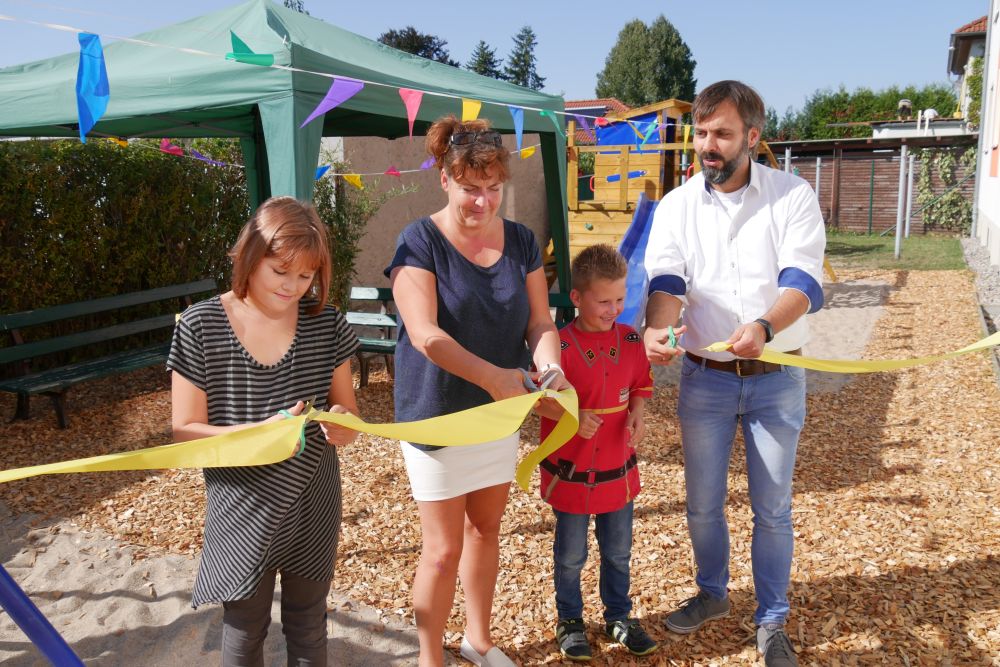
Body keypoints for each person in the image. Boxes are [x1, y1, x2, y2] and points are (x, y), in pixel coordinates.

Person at [642, 80, 825, 667]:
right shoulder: (676, 206)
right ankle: (714, 594)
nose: (707, 146)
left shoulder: (792, 196)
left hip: (776, 375)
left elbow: (804, 283)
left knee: (772, 506)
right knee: (701, 503)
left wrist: (764, 328)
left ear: (752, 135)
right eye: (700, 134)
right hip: (705, 378)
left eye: (721, 133)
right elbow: (667, 282)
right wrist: (660, 329)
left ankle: (772, 620)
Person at [386, 115, 570, 667]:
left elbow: (540, 323)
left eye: (494, 190)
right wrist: (494, 379)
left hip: (499, 415)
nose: (483, 203)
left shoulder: (521, 241)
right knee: (442, 552)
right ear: (444, 178)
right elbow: (424, 335)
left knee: (486, 530)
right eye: (471, 189)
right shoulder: (418, 241)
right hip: (437, 417)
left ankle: (478, 640)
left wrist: (551, 367)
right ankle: (429, 658)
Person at [168, 196, 361, 667]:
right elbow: (183, 431)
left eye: (306, 275)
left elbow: (349, 411)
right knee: (243, 629)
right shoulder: (201, 325)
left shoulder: (327, 324)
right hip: (241, 505)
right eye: (281, 271)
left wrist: (342, 425)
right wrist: (260, 431)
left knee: (309, 625)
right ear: (250, 256)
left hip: (314, 500)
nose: (293, 287)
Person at [535, 244, 659, 662]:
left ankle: (618, 616)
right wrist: (574, 414)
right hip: (572, 473)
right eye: (604, 301)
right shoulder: (558, 348)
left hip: (616, 470)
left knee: (618, 550)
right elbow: (539, 399)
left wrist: (638, 412)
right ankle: (569, 619)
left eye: (620, 299)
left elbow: (641, 381)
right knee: (571, 554)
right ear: (577, 298)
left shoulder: (629, 339)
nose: (614, 309)